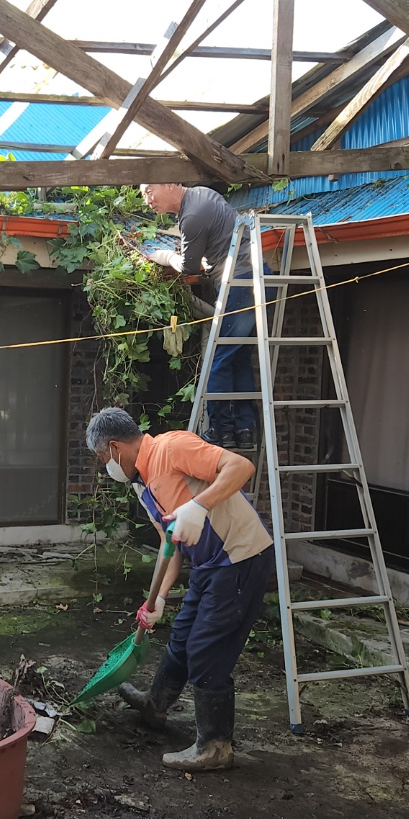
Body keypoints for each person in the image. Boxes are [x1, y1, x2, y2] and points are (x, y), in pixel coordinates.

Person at [87, 407, 275, 772]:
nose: (105, 466)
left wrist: (199, 506)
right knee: (183, 636)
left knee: (206, 648)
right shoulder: (142, 484)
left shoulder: (171, 447)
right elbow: (168, 544)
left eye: (102, 458)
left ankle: (215, 747)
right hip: (207, 564)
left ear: (114, 448)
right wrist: (157, 597)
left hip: (241, 557)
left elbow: (240, 467)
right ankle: (155, 705)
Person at [137, 183, 263, 449]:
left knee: (219, 358)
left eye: (149, 191)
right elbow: (219, 241)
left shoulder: (191, 216)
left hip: (239, 283)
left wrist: (165, 256)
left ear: (169, 184)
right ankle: (244, 429)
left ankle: (220, 431)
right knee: (239, 357)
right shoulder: (204, 194)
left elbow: (188, 267)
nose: (147, 201)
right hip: (257, 279)